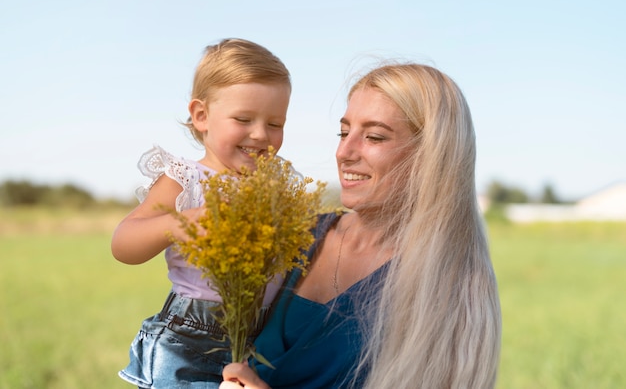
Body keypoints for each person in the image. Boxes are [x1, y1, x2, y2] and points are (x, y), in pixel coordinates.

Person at [219, 63, 502, 389]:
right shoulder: (296, 234)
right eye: (343, 132)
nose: (344, 152)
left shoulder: (450, 282)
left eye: (374, 137)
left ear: (430, 155)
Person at [111, 38, 292, 388]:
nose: (260, 135)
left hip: (258, 341)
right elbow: (123, 243)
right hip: (190, 340)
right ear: (201, 116)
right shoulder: (187, 179)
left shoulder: (277, 186)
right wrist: (180, 223)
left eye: (275, 124)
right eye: (244, 119)